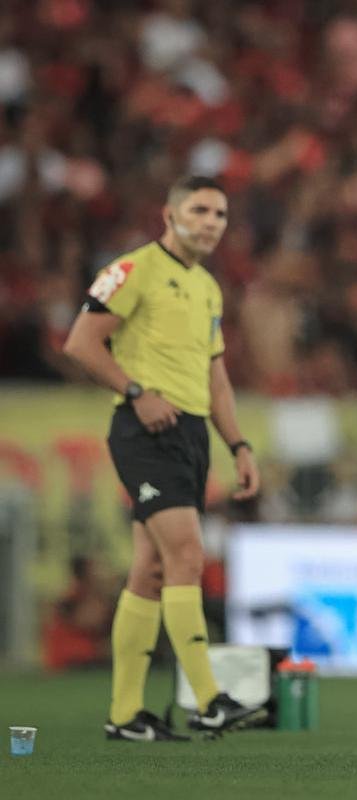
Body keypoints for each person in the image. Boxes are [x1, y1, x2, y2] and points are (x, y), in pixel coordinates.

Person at [62, 175, 266, 742]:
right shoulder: (133, 270)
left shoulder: (206, 288)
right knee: (187, 554)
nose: (210, 222)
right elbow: (80, 342)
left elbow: (216, 378)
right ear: (169, 214)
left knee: (150, 571)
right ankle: (208, 699)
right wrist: (135, 393)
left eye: (220, 214)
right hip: (144, 429)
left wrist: (239, 445)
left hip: (192, 434)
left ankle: (126, 714)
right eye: (199, 210)